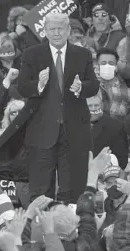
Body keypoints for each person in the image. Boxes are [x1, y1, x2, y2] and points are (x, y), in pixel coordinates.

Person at [17, 12, 99, 203]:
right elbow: (22, 87)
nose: (56, 33)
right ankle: (39, 226)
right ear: (45, 31)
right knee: (40, 189)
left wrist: (82, 87)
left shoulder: (82, 54)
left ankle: (71, 226)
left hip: (74, 132)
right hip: (42, 132)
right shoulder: (32, 54)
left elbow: (93, 85)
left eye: (60, 28)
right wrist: (38, 84)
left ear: (68, 30)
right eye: (52, 29)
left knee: (72, 188)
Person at [87, 93, 129, 169]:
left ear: (102, 106)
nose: (93, 108)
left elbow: (122, 161)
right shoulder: (74, 125)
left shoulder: (116, 127)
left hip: (104, 175)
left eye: (96, 105)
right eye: (89, 106)